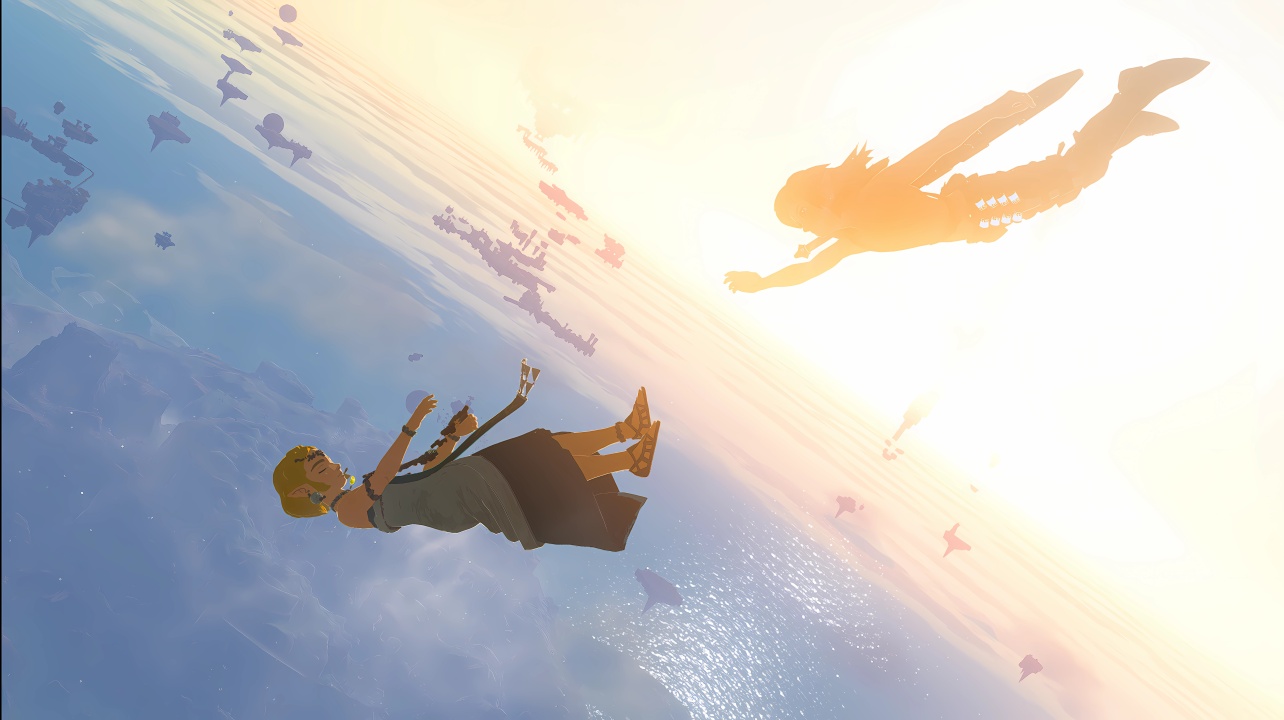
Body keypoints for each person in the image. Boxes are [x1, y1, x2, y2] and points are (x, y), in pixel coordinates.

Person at [724, 58, 1209, 293]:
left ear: (818, 203)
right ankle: (1127, 120)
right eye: (801, 226)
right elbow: (807, 270)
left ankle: (1133, 94)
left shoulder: (874, 197)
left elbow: (942, 145)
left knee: (1075, 173)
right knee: (1075, 178)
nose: (807, 230)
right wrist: (762, 282)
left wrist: (994, 110)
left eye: (803, 217)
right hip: (982, 220)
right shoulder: (850, 239)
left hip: (980, 203)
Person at [272, 388, 661, 552]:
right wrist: (413, 424)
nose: (332, 463)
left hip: (454, 483)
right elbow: (390, 475)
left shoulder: (365, 490)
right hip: (456, 499)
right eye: (319, 465)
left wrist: (454, 436)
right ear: (304, 492)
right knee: (541, 465)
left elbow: (428, 469)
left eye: (325, 458)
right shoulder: (347, 511)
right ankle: (630, 457)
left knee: (543, 447)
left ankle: (626, 434)